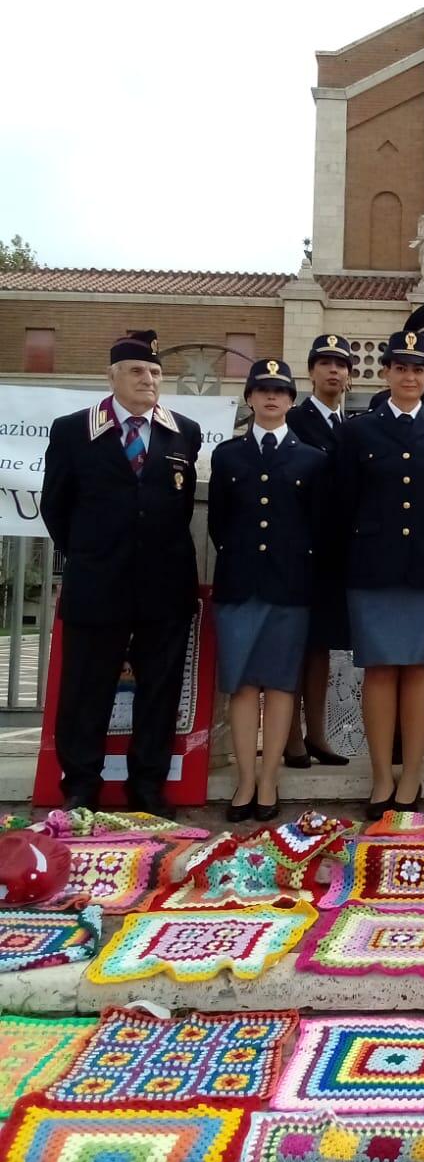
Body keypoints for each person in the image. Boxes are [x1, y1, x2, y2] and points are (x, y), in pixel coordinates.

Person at [41, 330, 202, 819]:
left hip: (165, 585)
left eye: (155, 372)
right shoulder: (73, 430)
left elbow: (180, 506)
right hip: (98, 582)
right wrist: (93, 554)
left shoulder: (184, 432)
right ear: (112, 377)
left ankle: (148, 786)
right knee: (87, 688)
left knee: (159, 689)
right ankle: (81, 785)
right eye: (137, 371)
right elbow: (55, 507)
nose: (148, 379)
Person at [339, 331, 424, 818]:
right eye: (400, 367)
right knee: (379, 668)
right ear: (385, 372)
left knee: (419, 669)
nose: (410, 376)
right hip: (374, 565)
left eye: (419, 369)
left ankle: (411, 773)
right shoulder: (359, 431)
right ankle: (380, 776)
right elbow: (345, 502)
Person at [208, 360, 329, 822]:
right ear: (249, 397)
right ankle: (245, 777)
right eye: (262, 390)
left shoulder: (311, 458)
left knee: (280, 684)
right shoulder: (228, 455)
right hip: (240, 583)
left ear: (292, 400)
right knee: (241, 683)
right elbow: (220, 520)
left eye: (280, 391)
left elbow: (318, 526)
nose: (271, 398)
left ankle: (270, 777)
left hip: (289, 585)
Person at [283, 332, 353, 769]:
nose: (333, 370)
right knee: (294, 646)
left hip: (335, 555)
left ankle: (318, 734)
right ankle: (290, 737)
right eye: (324, 362)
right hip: (298, 550)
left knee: (321, 647)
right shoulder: (294, 419)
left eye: (341, 363)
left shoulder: (350, 424)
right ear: (310, 371)